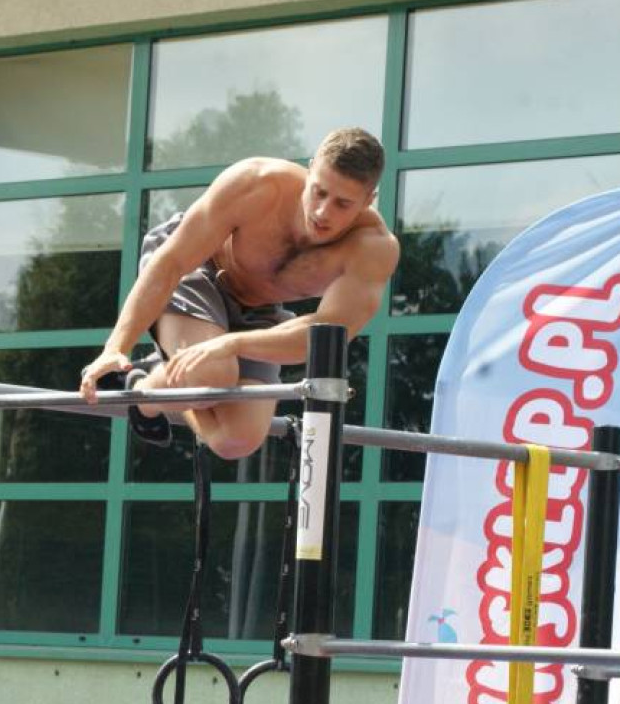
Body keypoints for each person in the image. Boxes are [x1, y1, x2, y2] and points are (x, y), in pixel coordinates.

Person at [79, 126, 399, 459]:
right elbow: (172, 263)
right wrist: (115, 347)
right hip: (198, 273)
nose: (322, 212)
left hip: (258, 311)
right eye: (318, 192)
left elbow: (322, 334)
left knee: (237, 439)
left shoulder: (373, 250)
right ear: (310, 168)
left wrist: (230, 343)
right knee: (212, 374)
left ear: (368, 200)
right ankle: (172, 376)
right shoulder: (257, 184)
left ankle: (143, 386)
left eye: (342, 204)